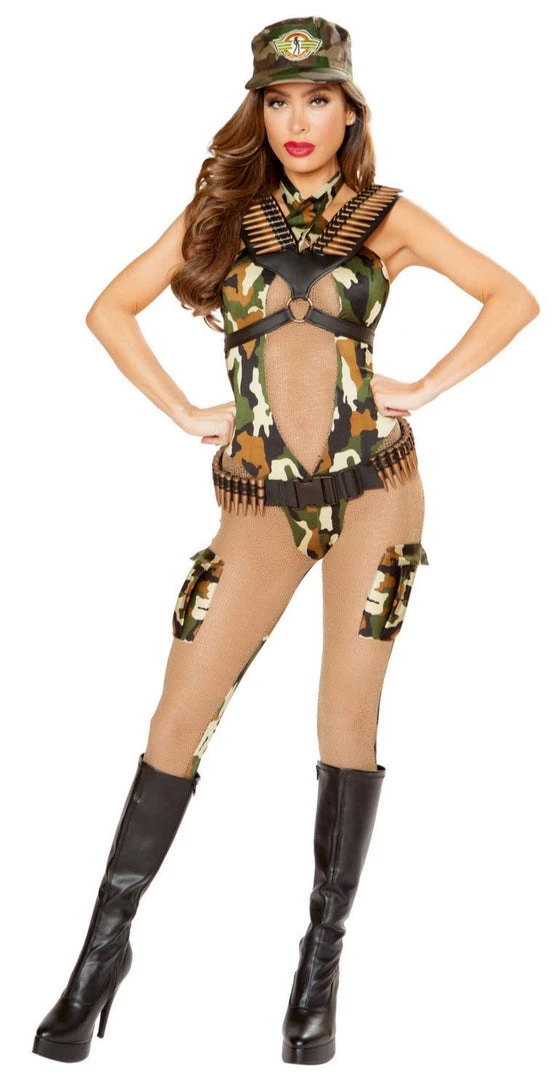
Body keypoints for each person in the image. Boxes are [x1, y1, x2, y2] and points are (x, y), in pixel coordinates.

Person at [32, 14, 539, 1068]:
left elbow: (513, 298)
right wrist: (183, 411)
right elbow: (109, 310)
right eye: (276, 100)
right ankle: (99, 957)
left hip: (375, 494)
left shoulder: (387, 217)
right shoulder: (223, 217)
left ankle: (318, 971)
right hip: (257, 501)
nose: (297, 120)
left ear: (349, 110)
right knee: (176, 718)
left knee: (343, 720)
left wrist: (423, 388)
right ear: (257, 111)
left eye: (317, 100)